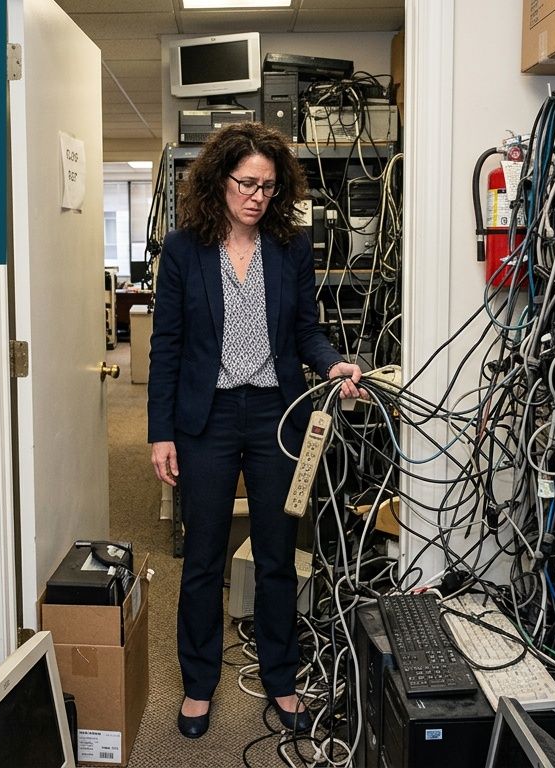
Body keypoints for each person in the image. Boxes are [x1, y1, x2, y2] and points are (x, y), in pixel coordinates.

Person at [147, 122, 362, 739]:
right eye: (246, 183)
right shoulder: (186, 248)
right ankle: (196, 685)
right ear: (219, 180)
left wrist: (331, 363)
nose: (257, 196)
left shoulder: (290, 248)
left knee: (276, 554)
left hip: (276, 415)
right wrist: (162, 432)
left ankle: (282, 677)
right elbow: (167, 346)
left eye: (268, 186)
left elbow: (305, 332)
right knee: (204, 556)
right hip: (205, 420)